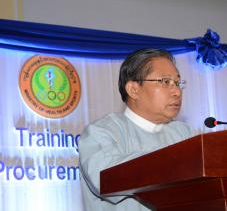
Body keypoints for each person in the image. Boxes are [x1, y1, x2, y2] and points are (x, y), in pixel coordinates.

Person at [79, 48, 196, 211]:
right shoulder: (101, 132)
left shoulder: (187, 134)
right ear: (134, 89)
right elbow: (104, 179)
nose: (177, 92)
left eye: (177, 83)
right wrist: (174, 159)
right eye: (165, 82)